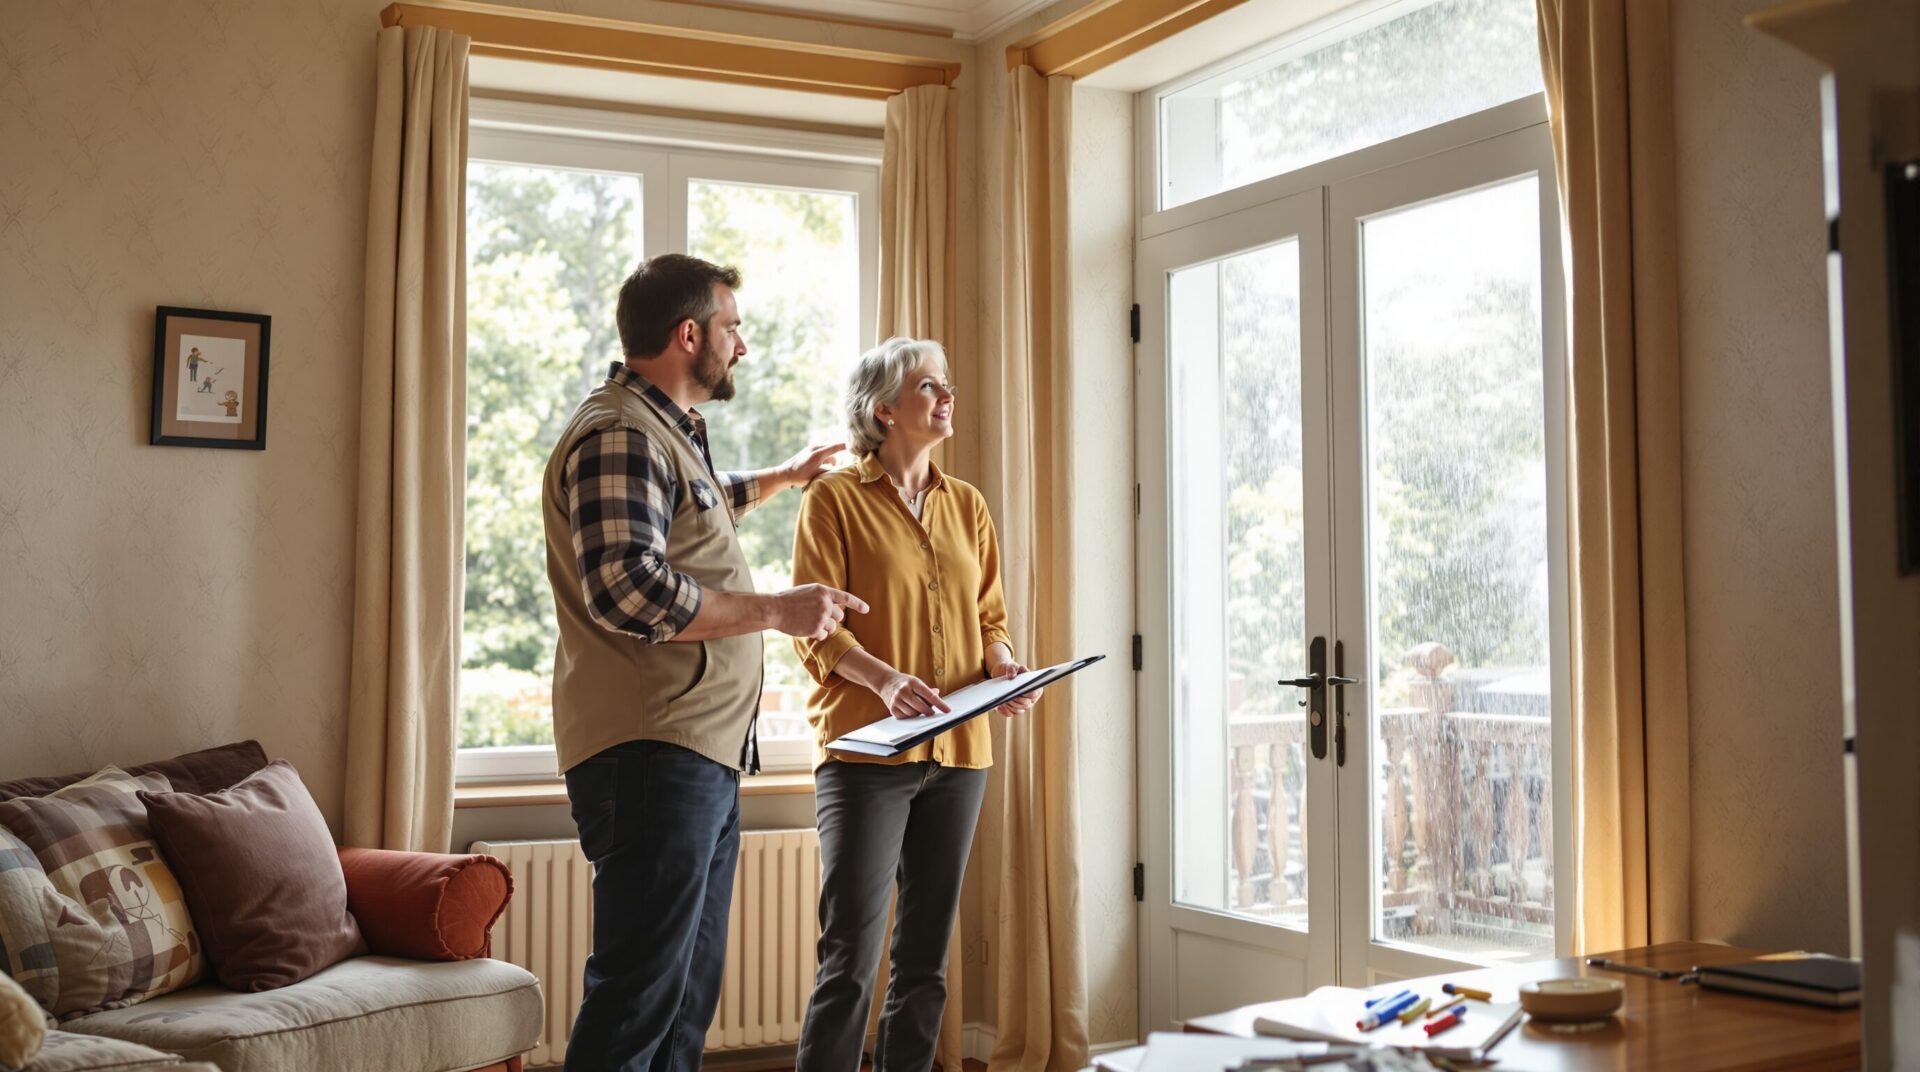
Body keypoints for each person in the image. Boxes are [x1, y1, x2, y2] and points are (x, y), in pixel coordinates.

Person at [541, 253, 867, 1072]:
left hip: (693, 754)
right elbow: (629, 588)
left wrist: (783, 478)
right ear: (689, 335)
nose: (742, 347)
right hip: (655, 756)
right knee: (639, 999)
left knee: (682, 1002)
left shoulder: (657, 434)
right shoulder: (618, 432)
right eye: (732, 328)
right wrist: (778, 611)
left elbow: (699, 499)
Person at [789, 336, 1041, 1072]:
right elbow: (816, 631)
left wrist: (999, 658)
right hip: (866, 754)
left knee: (926, 960)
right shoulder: (833, 500)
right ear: (885, 410)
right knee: (849, 961)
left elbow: (989, 614)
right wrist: (886, 681)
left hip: (961, 756)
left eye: (946, 384)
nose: (946, 396)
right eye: (929, 386)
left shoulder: (967, 505)